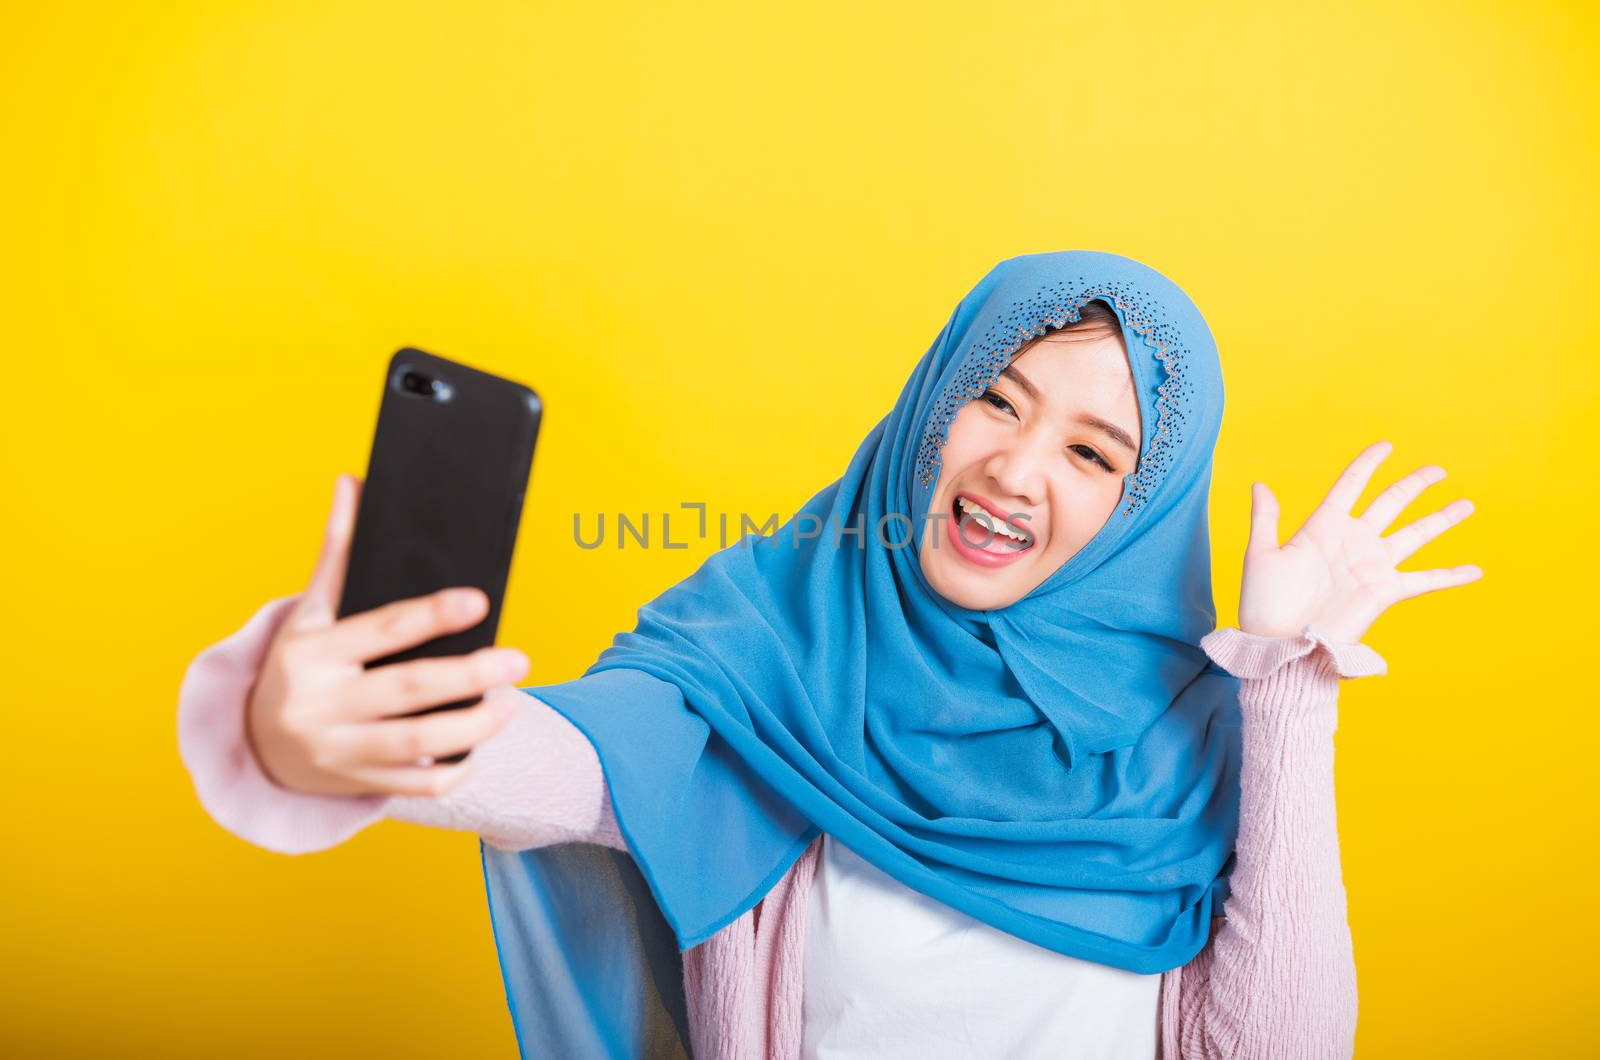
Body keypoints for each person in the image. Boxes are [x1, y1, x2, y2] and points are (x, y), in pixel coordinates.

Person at [178, 250, 1481, 1059]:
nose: (1016, 469)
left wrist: (1292, 688)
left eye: (1094, 453)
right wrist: (322, 737)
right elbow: (570, 761)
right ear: (933, 402)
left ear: (1146, 509)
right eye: (996, 397)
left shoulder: (1204, 731)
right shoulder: (770, 644)